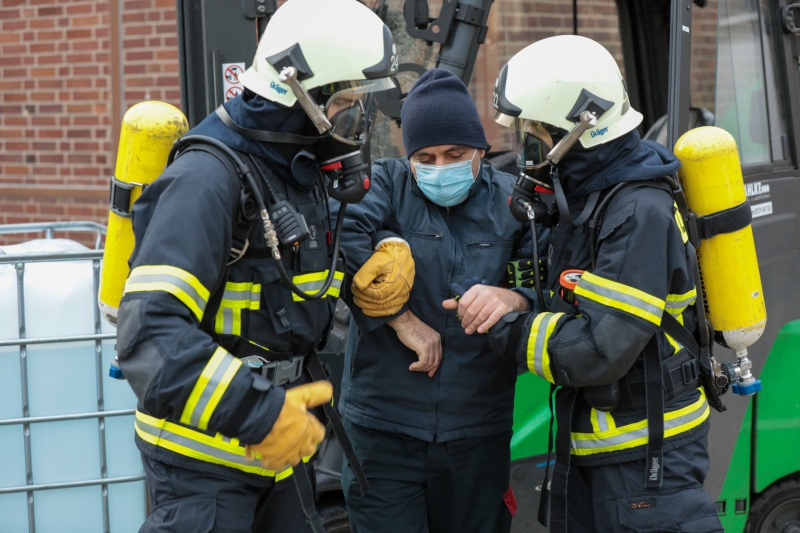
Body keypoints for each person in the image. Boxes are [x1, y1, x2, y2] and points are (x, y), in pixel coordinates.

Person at [114, 0, 397, 531]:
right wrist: (261, 413)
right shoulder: (206, 180)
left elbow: (293, 269)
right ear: (304, 97)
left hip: (280, 454)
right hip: (207, 468)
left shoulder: (293, 164)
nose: (357, 119)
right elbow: (149, 335)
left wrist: (375, 252)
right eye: (348, 102)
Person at [468, 35, 725, 533]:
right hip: (599, 445)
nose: (529, 153)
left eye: (536, 137)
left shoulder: (636, 213)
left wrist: (507, 324)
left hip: (645, 463)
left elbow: (598, 351)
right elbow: (577, 295)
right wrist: (520, 294)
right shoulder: (592, 196)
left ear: (579, 130)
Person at [335, 68, 537, 533]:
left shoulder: (514, 207)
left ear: (481, 152)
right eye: (425, 156)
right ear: (408, 158)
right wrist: (401, 319)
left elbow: (549, 287)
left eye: (455, 153)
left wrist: (513, 299)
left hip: (477, 433)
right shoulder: (383, 185)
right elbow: (340, 237)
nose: (440, 166)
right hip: (382, 431)